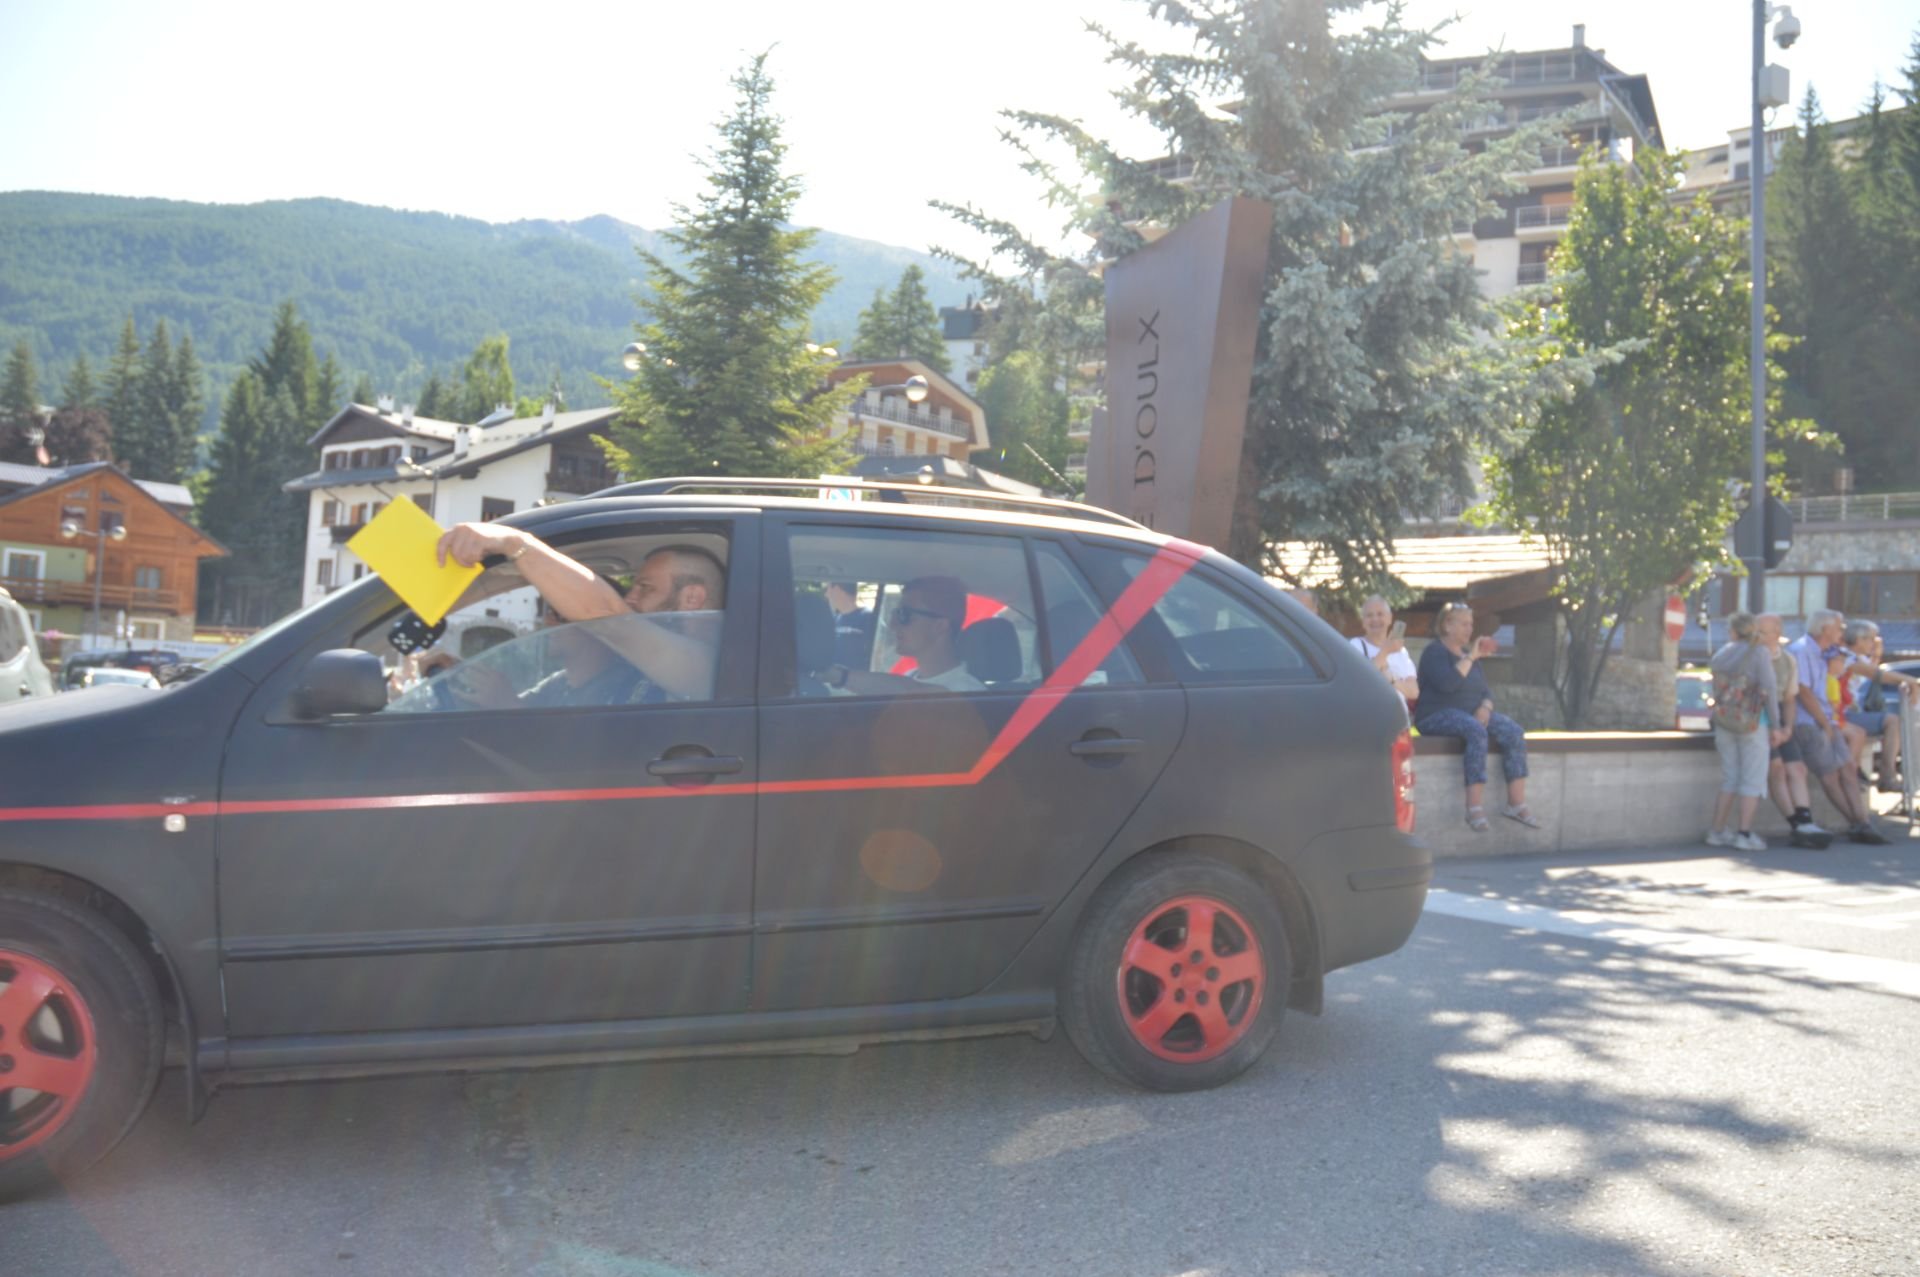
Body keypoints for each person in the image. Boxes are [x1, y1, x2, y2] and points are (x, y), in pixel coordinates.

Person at [434, 522, 723, 701]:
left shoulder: (711, 667)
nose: (631, 599)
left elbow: (615, 623)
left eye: (645, 588)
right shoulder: (626, 668)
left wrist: (514, 543)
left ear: (692, 598)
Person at [1415, 601, 1537, 832]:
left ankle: (1515, 802)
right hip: (1436, 715)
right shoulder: (1435, 652)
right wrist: (1471, 656)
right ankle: (1473, 807)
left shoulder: (1468, 657)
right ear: (1447, 625)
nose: (1469, 629)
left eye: (1470, 624)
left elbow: (1486, 692)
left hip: (1471, 714)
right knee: (1475, 729)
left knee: (1513, 732)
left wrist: (1486, 707)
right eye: (1463, 624)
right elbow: (1447, 684)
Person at [1787, 609, 1888, 845]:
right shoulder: (1802, 650)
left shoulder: (1826, 652)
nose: (1843, 631)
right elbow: (1803, 691)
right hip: (1810, 723)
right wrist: (1825, 722)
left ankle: (1863, 823)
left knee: (1848, 770)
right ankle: (1856, 824)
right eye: (1839, 627)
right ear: (1825, 629)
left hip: (1828, 721)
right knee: (1830, 776)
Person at [818, 575, 984, 694]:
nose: (892, 624)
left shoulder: (968, 692)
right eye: (895, 613)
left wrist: (837, 675)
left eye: (904, 615)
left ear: (940, 626)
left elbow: (913, 692)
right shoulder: (910, 676)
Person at [1704, 612, 1777, 852]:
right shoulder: (1759, 653)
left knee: (1730, 778)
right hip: (1752, 722)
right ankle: (1743, 833)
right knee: (1752, 779)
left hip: (1725, 722)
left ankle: (1717, 830)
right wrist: (1776, 724)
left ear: (1732, 631)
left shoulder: (1721, 654)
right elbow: (1769, 690)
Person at [1757, 613, 1828, 847]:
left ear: (1777, 632)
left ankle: (1806, 818)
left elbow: (1789, 699)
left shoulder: (1787, 660)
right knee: (1776, 768)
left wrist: (1787, 727)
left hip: (1780, 716)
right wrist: (1770, 727)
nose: (1759, 636)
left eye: (1764, 631)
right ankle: (1796, 824)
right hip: (1758, 716)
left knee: (1797, 768)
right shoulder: (1752, 657)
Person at [1838, 620, 1918, 792]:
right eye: (1870, 639)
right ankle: (1887, 777)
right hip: (1841, 714)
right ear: (1858, 639)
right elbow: (1877, 675)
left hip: (1852, 712)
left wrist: (1876, 654)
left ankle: (1882, 776)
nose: (1873, 643)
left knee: (1892, 721)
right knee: (1892, 721)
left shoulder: (1857, 657)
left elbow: (1872, 669)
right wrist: (1912, 681)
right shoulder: (1844, 658)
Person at [1350, 595, 1418, 708]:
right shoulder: (1355, 645)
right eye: (1369, 615)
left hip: (1398, 719)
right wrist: (1385, 651)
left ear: (1390, 618)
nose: (1375, 619)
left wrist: (1391, 679)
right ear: (1363, 622)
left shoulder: (1401, 652)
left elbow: (1414, 692)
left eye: (1380, 614)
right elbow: (1362, 680)